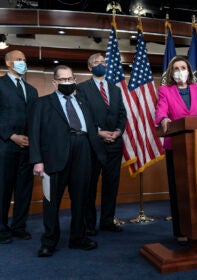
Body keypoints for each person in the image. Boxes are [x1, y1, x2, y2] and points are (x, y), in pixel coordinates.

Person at [29, 65, 106, 257]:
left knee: (81, 199)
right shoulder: (42, 103)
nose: (67, 83)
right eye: (63, 80)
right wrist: (37, 161)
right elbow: (34, 134)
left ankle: (77, 238)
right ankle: (49, 241)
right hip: (54, 156)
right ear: (55, 82)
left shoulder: (83, 102)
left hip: (83, 152)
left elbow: (91, 127)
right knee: (51, 202)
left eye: (70, 79)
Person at [155, 56, 197, 244]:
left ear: (189, 70)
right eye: (176, 68)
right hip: (175, 146)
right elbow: (161, 109)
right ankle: (180, 231)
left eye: (183, 67)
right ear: (171, 72)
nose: (180, 71)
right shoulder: (165, 90)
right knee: (179, 191)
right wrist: (163, 119)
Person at [77, 53, 127, 235]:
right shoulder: (82, 88)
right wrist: (98, 132)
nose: (100, 65)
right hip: (93, 144)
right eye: (96, 63)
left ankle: (107, 221)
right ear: (89, 68)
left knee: (111, 185)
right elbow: (83, 115)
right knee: (90, 186)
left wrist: (118, 132)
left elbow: (122, 114)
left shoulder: (115, 89)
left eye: (103, 62)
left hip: (114, 143)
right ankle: (89, 224)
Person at [0, 50, 38, 244]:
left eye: (24, 59)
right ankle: (1, 230)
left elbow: (35, 119)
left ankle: (19, 227)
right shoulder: (0, 84)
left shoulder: (32, 90)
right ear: (8, 63)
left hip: (27, 147)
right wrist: (11, 135)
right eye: (18, 60)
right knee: (3, 190)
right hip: (5, 146)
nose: (23, 62)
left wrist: (32, 139)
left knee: (24, 190)